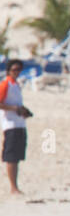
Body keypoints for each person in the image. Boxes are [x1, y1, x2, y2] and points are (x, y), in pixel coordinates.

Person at [1, 58, 32, 194]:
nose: (17, 72)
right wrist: (15, 108)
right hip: (10, 124)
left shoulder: (16, 84)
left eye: (19, 70)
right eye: (15, 70)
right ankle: (13, 187)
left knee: (17, 156)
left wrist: (23, 111)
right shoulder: (5, 84)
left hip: (19, 123)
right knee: (11, 156)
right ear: (9, 70)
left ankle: (16, 186)